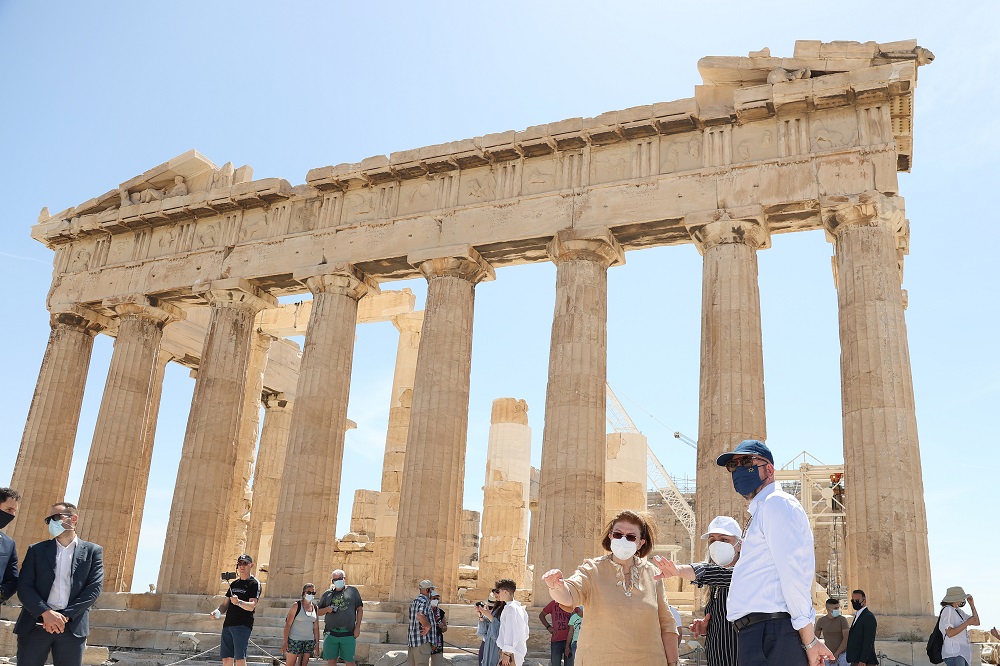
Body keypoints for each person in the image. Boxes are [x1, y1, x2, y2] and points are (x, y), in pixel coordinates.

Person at [715, 439, 833, 666]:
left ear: (768, 469)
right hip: (759, 634)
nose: (739, 469)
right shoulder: (763, 510)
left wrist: (809, 641)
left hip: (773, 634)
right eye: (733, 465)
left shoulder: (777, 503)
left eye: (746, 461)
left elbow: (793, 575)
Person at [543, 509, 680, 666]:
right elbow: (569, 595)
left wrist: (673, 662)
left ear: (640, 542)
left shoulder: (653, 573)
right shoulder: (591, 570)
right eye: (618, 534)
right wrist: (557, 587)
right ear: (610, 536)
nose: (623, 539)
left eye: (630, 537)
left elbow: (666, 622)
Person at [14, 502, 104, 666]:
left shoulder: (93, 551)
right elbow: (24, 587)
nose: (52, 523)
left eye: (56, 517)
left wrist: (65, 617)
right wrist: (46, 613)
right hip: (35, 624)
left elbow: (94, 589)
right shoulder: (36, 550)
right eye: (49, 520)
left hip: (71, 627)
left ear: (74, 519)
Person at [657, 515, 742, 666]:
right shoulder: (714, 584)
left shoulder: (745, 573)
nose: (717, 544)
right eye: (712, 540)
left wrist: (677, 570)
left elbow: (711, 572)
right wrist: (709, 626)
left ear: (739, 545)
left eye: (724, 540)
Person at [210, 554, 261, 666]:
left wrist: (239, 602)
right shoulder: (234, 584)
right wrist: (217, 612)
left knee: (239, 659)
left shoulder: (254, 583)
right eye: (239, 564)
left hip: (242, 625)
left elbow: (252, 605)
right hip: (228, 624)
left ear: (251, 565)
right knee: (227, 659)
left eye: (245, 563)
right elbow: (225, 605)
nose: (242, 566)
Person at [317, 569, 364, 666]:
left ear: (344, 578)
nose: (337, 581)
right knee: (331, 661)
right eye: (335, 580)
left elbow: (359, 609)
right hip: (330, 633)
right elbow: (317, 612)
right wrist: (327, 609)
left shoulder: (353, 591)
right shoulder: (327, 594)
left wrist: (358, 627)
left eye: (340, 578)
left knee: (350, 662)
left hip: (348, 633)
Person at [938, 586, 979, 666]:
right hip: (955, 654)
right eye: (962, 598)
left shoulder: (958, 611)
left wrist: (972, 605)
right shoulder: (948, 610)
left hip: (963, 653)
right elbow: (950, 633)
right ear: (956, 599)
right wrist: (967, 623)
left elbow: (976, 622)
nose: (963, 600)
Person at [282, 583, 320, 666]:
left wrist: (317, 643)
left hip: (309, 640)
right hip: (295, 640)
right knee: (290, 664)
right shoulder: (296, 605)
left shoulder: (315, 607)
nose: (311, 594)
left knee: (303, 664)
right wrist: (285, 642)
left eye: (313, 593)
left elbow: (316, 627)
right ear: (304, 592)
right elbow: (288, 624)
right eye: (309, 592)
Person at [494, 578, 529, 666]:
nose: (498, 593)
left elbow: (510, 631)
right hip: (515, 651)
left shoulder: (510, 608)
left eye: (499, 591)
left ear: (505, 592)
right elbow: (525, 632)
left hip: (511, 653)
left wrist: (507, 653)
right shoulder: (519, 607)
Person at [407, 579, 438, 666]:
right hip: (422, 641)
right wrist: (427, 626)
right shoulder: (425, 601)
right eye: (432, 589)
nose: (432, 592)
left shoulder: (414, 601)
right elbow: (420, 615)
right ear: (428, 590)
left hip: (412, 641)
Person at [844, 589, 877, 666]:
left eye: (857, 600)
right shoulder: (858, 615)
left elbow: (868, 641)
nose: (855, 602)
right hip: (855, 659)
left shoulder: (868, 617)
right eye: (853, 600)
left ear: (864, 601)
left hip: (863, 661)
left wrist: (863, 660)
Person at [539, 596, 573, 666]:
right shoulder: (553, 604)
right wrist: (548, 627)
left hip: (569, 640)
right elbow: (541, 615)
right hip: (556, 640)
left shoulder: (571, 604)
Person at [815, 598, 849, 666]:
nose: (837, 610)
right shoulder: (821, 621)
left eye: (838, 608)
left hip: (842, 654)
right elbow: (816, 639)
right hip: (827, 655)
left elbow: (846, 638)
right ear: (828, 609)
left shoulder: (842, 620)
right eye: (835, 608)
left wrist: (836, 654)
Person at [0, 488, 20, 604]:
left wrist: (1, 593)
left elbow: (12, 580)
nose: (12, 515)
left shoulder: (8, 543)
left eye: (14, 511)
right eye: (9, 509)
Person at [477, 593, 502, 666]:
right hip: (486, 644)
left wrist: (490, 617)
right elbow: (482, 632)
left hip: (495, 646)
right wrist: (481, 617)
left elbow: (496, 635)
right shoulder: (488, 613)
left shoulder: (501, 614)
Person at [429, 590, 447, 665]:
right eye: (434, 598)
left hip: (437, 641)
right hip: (425, 641)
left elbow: (445, 628)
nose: (436, 600)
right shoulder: (424, 611)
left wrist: (442, 627)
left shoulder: (441, 612)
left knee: (437, 663)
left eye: (437, 599)